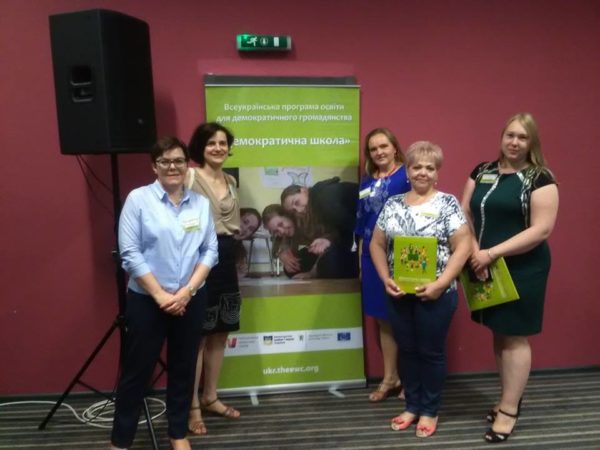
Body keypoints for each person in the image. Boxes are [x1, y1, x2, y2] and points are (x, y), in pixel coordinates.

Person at [110, 136, 218, 450]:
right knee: (136, 373)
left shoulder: (200, 204)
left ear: (187, 165)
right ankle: (120, 441)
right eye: (165, 161)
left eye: (179, 161)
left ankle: (178, 433)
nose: (173, 167)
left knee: (183, 370)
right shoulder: (138, 200)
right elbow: (129, 253)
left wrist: (187, 292)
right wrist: (160, 295)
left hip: (190, 299)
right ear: (154, 166)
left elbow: (210, 251)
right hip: (147, 300)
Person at [460, 113, 559, 443]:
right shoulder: (482, 171)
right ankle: (508, 397)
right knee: (499, 332)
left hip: (523, 267)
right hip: (482, 264)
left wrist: (491, 253)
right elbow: (464, 211)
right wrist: (476, 252)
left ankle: (509, 409)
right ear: (501, 137)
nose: (514, 142)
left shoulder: (539, 178)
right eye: (510, 135)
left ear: (532, 142)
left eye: (522, 137)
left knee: (515, 336)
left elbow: (541, 230)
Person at [370, 141, 471, 438]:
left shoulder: (448, 203)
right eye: (416, 167)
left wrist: (440, 284)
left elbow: (463, 246)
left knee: (431, 353)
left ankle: (429, 409)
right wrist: (385, 278)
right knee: (408, 351)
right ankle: (412, 406)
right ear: (408, 171)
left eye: (429, 167)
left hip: (437, 294)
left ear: (437, 172)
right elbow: (377, 244)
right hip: (399, 293)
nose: (422, 172)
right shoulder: (393, 204)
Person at [187, 122, 242, 436]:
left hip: (227, 258)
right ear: (201, 147)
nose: (218, 148)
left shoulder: (231, 180)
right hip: (197, 259)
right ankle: (192, 406)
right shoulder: (189, 177)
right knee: (198, 335)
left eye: (223, 143)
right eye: (211, 143)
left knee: (221, 331)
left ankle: (210, 397)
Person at [355, 128, 411, 403]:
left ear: (394, 147)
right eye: (373, 148)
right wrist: (361, 261)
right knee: (383, 319)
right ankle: (391, 378)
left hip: (402, 253)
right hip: (370, 255)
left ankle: (411, 380)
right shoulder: (366, 182)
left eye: (383, 146)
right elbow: (361, 222)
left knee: (407, 318)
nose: (379, 152)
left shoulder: (408, 175)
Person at [262, 204, 354, 279]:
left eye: (281, 224)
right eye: (276, 231)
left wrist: (312, 273)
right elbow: (278, 246)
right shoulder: (287, 233)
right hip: (318, 252)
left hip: (338, 247)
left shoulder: (304, 219)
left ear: (288, 215)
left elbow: (331, 240)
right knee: (291, 269)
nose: (281, 231)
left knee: (329, 263)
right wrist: (283, 253)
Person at [233, 207, 261, 276]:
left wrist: (237, 273)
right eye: (245, 222)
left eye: (251, 229)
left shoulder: (239, 251)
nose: (245, 229)